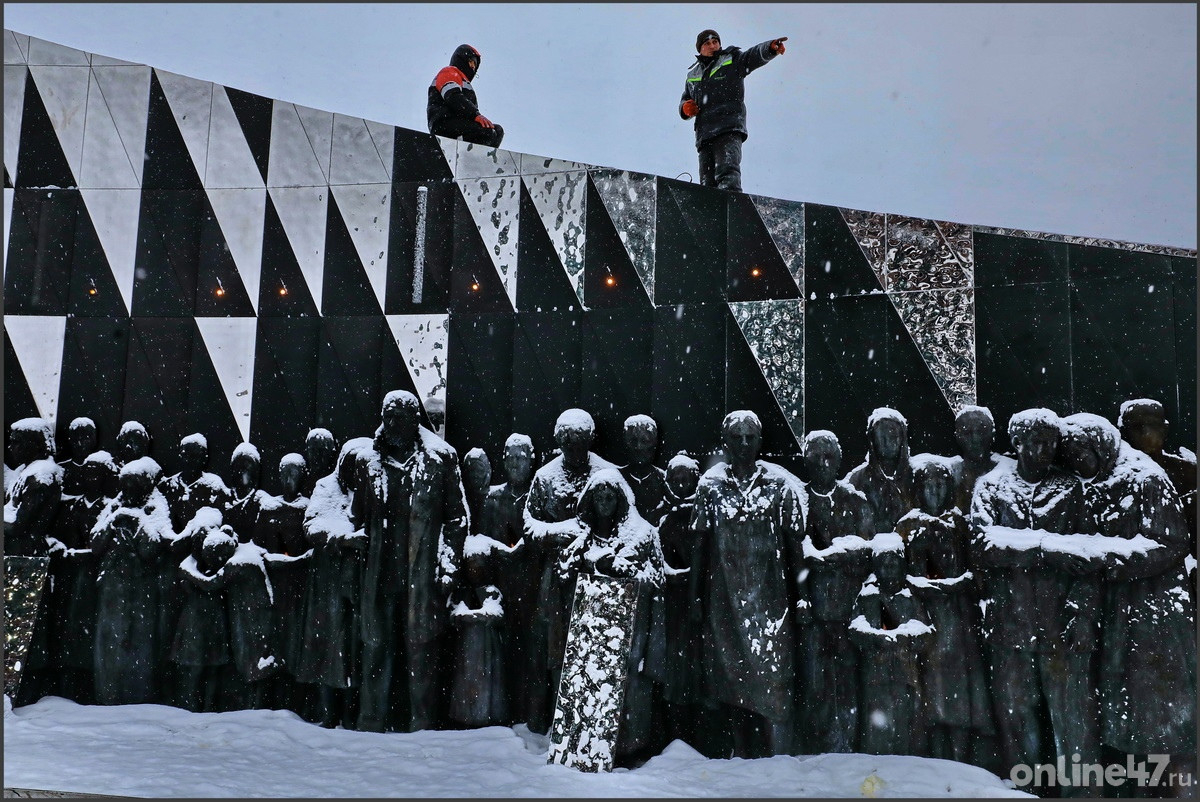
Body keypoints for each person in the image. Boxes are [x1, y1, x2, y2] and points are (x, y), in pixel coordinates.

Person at [689, 410, 805, 758]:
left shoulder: (778, 485)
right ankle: (738, 754)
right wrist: (695, 597)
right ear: (725, 442)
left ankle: (776, 756)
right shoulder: (710, 486)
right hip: (725, 596)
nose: (743, 444)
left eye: (749, 437)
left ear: (759, 442)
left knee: (774, 675)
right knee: (730, 675)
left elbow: (794, 545)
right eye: (736, 437)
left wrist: (802, 597)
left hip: (770, 599)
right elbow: (699, 546)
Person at [354, 390, 470, 733]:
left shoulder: (441, 458)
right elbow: (357, 516)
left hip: (422, 572)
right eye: (387, 417)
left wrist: (448, 568)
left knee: (422, 650)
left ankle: (423, 724)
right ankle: (372, 721)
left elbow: (457, 520)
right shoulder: (368, 461)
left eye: (399, 418)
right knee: (376, 647)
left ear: (414, 420)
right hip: (380, 571)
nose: (392, 424)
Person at [678, 29, 787, 192]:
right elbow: (685, 99)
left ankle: (731, 203)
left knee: (727, 174)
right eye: (707, 43)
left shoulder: (732, 60)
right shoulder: (693, 75)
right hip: (704, 135)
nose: (712, 46)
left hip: (728, 127)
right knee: (707, 184)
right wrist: (685, 108)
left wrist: (769, 48)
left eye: (715, 42)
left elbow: (752, 56)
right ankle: (710, 207)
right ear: (700, 49)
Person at [427, 44, 504, 147]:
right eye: (471, 61)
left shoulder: (466, 85)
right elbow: (453, 96)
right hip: (443, 122)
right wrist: (475, 115)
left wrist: (475, 116)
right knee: (486, 133)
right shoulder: (449, 71)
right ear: (461, 59)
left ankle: (483, 154)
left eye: (475, 64)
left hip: (459, 123)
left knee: (497, 131)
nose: (473, 66)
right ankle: (457, 147)